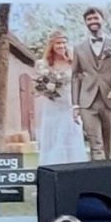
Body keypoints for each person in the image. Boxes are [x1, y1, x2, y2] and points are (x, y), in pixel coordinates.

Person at [73, 7, 111, 161]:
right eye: (89, 19)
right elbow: (75, 76)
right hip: (87, 102)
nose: (93, 21)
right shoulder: (79, 48)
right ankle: (97, 171)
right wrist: (75, 105)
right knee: (95, 144)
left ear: (103, 20)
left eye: (96, 18)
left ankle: (108, 172)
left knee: (109, 144)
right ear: (85, 23)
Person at [34, 32, 88, 165]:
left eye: (64, 43)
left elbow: (82, 83)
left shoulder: (73, 62)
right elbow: (38, 84)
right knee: (53, 134)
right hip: (52, 104)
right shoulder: (43, 64)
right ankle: (53, 164)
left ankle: (73, 165)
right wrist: (46, 90)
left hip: (70, 103)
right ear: (52, 45)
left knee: (71, 133)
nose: (61, 46)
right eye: (58, 43)